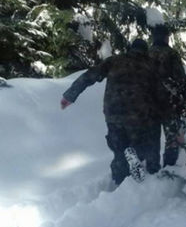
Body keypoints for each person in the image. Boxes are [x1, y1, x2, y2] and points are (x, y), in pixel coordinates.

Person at [60, 38, 170, 185]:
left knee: (119, 149)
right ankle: (146, 169)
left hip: (113, 113)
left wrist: (70, 95)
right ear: (145, 51)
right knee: (145, 144)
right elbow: (161, 94)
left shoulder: (114, 61)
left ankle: (119, 180)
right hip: (138, 115)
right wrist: (164, 115)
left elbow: (90, 75)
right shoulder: (150, 65)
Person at [149, 24, 186, 167]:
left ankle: (152, 169)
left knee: (152, 139)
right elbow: (181, 79)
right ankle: (169, 169)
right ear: (166, 37)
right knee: (172, 139)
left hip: (148, 105)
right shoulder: (171, 54)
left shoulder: (145, 55)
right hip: (169, 104)